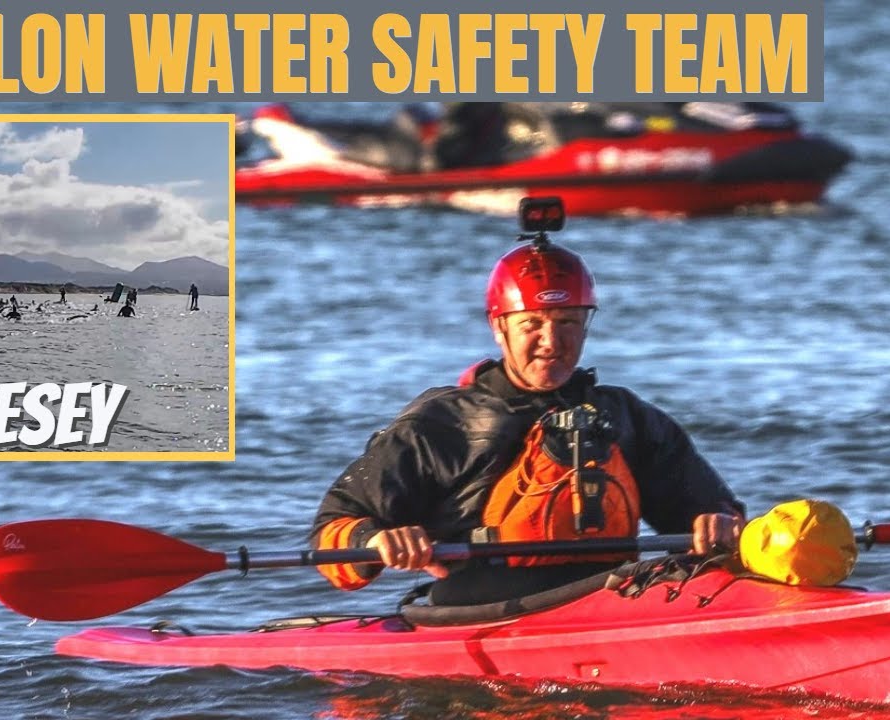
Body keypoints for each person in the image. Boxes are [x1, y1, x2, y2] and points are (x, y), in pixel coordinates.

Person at [312, 211, 745, 607]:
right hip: (488, 606)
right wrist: (376, 540)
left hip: (611, 594)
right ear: (499, 328)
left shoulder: (627, 417)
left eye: (568, 323)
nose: (552, 342)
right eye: (532, 324)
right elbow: (332, 532)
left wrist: (717, 523)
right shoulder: (441, 424)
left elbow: (711, 511)